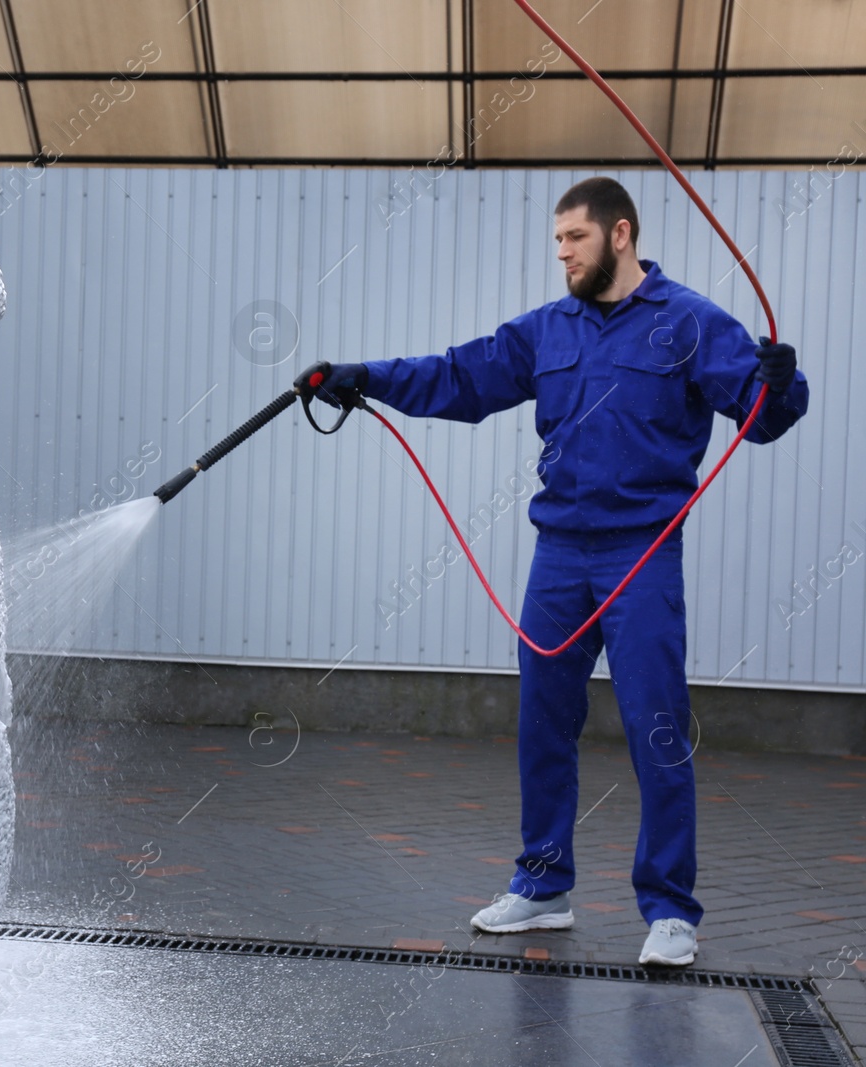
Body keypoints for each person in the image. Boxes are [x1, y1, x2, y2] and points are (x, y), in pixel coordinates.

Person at [313, 176, 808, 967]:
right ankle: (543, 885)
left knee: (657, 726)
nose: (562, 253)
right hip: (560, 554)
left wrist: (784, 383)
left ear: (620, 234)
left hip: (641, 552)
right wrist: (363, 375)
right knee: (543, 720)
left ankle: (671, 909)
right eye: (557, 241)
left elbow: (762, 414)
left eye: (573, 238)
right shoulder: (549, 330)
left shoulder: (688, 323)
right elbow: (459, 376)